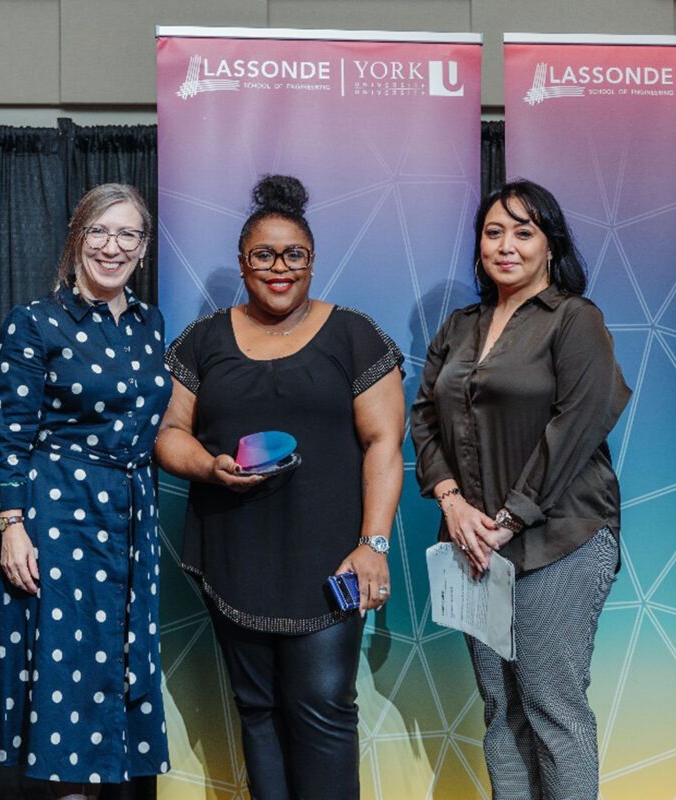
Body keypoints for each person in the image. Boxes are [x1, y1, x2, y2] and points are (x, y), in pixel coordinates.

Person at [155, 174, 405, 799]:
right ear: (243, 263)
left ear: (312, 261)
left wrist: (373, 545)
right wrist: (209, 466)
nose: (279, 268)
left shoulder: (354, 335)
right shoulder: (204, 340)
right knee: (257, 709)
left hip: (331, 559)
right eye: (263, 255)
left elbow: (384, 445)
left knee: (323, 705)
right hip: (234, 553)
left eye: (294, 254)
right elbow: (168, 434)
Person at [410, 179, 631, 799]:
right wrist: (453, 504)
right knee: (500, 712)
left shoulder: (573, 319)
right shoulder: (460, 325)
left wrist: (509, 517)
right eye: (493, 232)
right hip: (475, 546)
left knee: (551, 707)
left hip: (562, 539)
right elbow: (424, 415)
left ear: (549, 244)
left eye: (523, 232)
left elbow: (579, 424)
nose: (506, 245)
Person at [0, 184, 170, 799]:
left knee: (121, 668)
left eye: (128, 235)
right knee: (71, 674)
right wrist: (12, 523)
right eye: (99, 231)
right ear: (76, 238)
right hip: (61, 510)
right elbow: (10, 433)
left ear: (143, 249)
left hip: (132, 515)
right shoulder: (36, 321)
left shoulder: (152, 324)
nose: (112, 246)